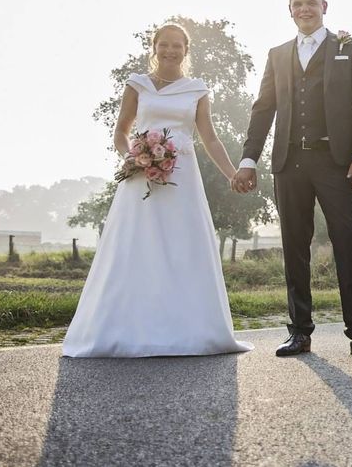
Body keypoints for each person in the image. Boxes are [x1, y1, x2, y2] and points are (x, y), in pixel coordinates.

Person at [62, 22, 253, 357]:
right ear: (154, 47)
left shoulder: (197, 89)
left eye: (177, 45)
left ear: (186, 50)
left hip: (183, 179)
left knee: (182, 247)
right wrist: (132, 157)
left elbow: (209, 137)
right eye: (164, 44)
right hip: (141, 176)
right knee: (137, 245)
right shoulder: (137, 84)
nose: (170, 51)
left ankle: (189, 330)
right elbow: (121, 130)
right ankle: (128, 327)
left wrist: (231, 173)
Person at [232, 0, 352, 359]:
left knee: (347, 244)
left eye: (311, 3)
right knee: (294, 247)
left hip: (335, 162)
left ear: (325, 6)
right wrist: (249, 158)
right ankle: (299, 332)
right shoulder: (277, 54)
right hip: (289, 163)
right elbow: (262, 108)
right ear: (289, 10)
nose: (305, 9)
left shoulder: (348, 48)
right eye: (298, 4)